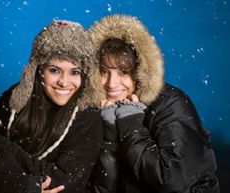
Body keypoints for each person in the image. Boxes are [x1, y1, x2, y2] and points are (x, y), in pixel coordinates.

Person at [88, 14, 220, 193]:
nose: (111, 84)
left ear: (140, 71)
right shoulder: (102, 110)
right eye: (104, 72)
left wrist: (130, 123)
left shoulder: (170, 104)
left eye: (123, 72)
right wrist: (110, 139)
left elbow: (169, 181)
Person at [0, 20, 104, 193]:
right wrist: (24, 186)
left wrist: (6, 150)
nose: (64, 82)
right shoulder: (13, 98)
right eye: (55, 70)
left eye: (74, 72)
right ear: (39, 69)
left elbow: (67, 181)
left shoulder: (88, 114)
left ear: (84, 74)